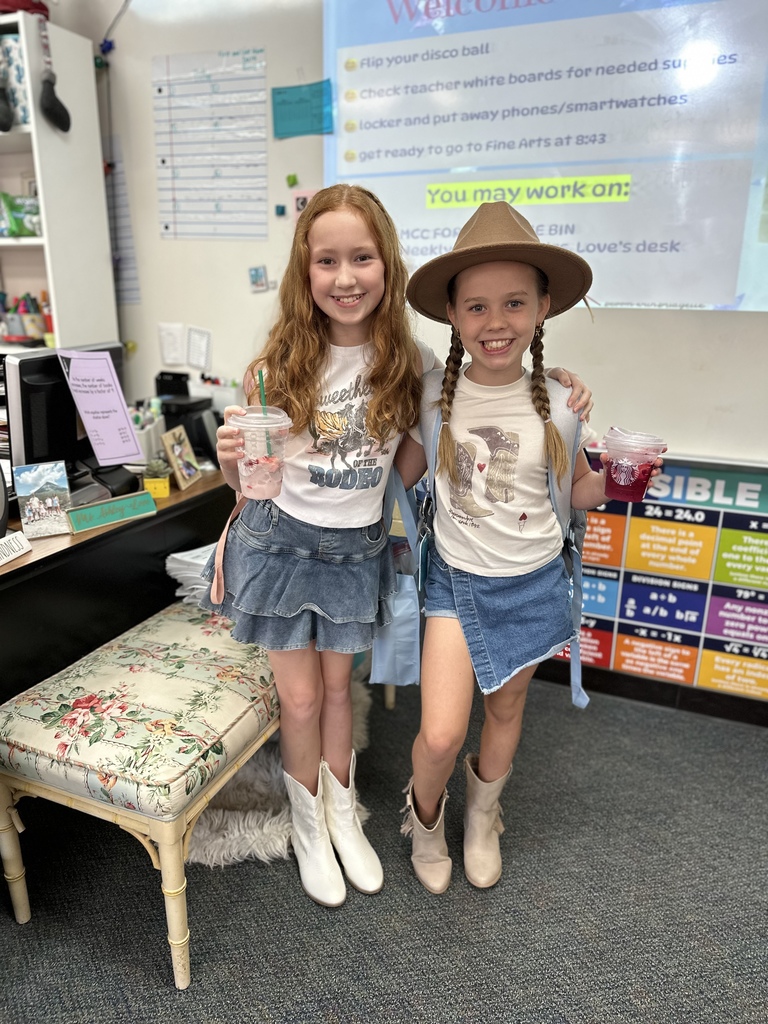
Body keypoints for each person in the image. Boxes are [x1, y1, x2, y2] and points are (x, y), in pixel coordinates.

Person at [201, 185, 593, 908]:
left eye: (362, 257)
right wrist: (229, 456)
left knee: (340, 697)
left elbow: (421, 447)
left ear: (386, 266)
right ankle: (311, 827)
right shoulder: (274, 365)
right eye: (327, 261)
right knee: (301, 697)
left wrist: (561, 385)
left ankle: (346, 816)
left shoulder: (405, 360)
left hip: (357, 550)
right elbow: (246, 483)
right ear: (304, 270)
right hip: (280, 547)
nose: (345, 276)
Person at [395, 201, 664, 894]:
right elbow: (392, 480)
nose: (496, 323)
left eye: (514, 303)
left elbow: (573, 494)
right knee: (442, 735)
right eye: (478, 307)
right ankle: (424, 819)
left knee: (508, 712)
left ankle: (484, 816)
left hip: (535, 580)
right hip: (454, 584)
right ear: (452, 314)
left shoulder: (561, 403)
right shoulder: (431, 397)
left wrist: (616, 483)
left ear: (543, 307)